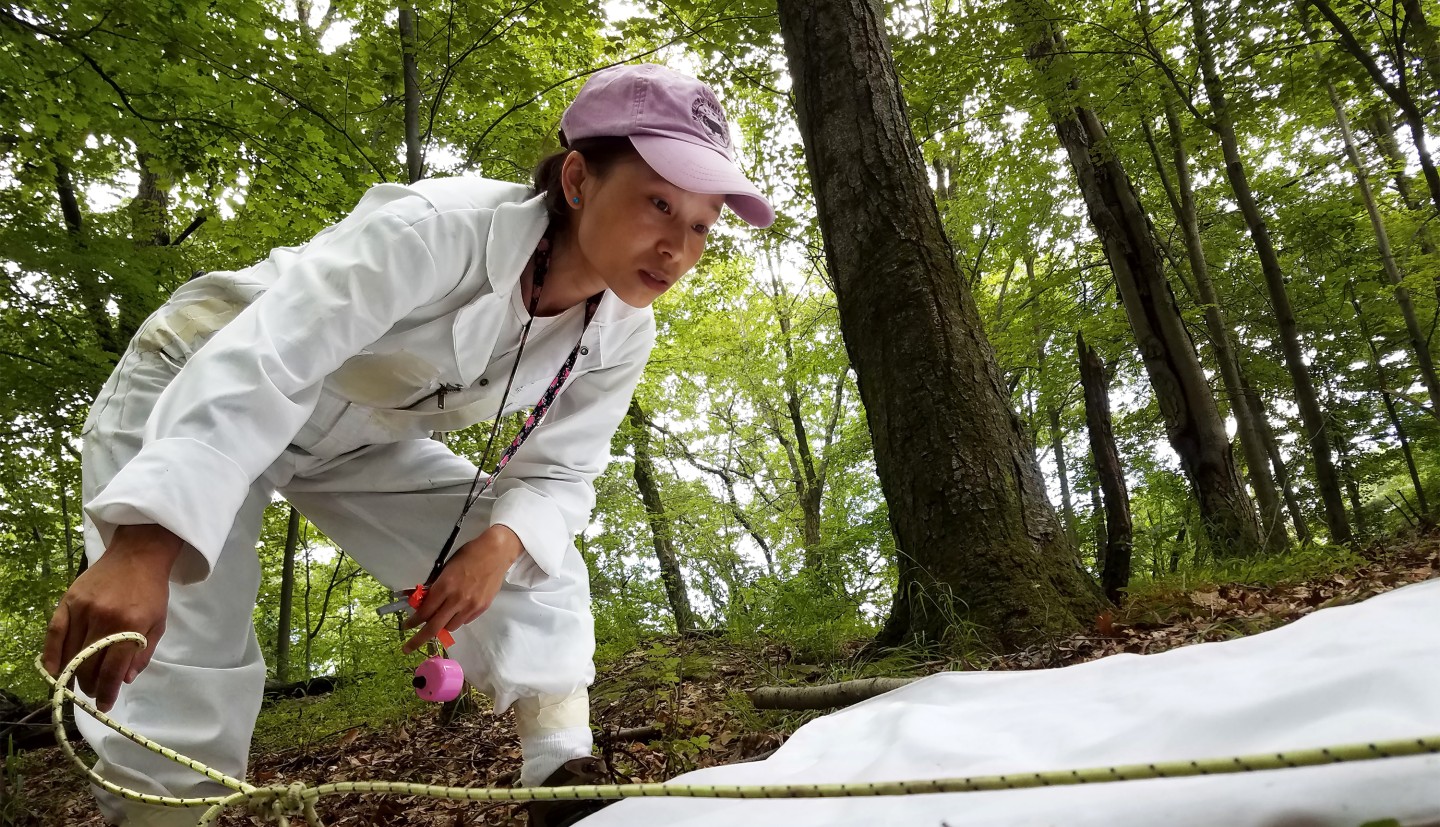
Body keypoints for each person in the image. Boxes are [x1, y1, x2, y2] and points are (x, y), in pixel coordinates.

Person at [41, 63, 773, 827]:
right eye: (659, 203)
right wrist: (144, 544)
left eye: (699, 224)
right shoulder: (435, 228)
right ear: (580, 179)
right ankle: (167, 815)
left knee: (534, 564)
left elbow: (561, 469)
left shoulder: (623, 330)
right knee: (182, 627)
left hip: (359, 432)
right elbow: (271, 358)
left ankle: (567, 785)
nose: (677, 248)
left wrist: (499, 544)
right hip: (200, 375)